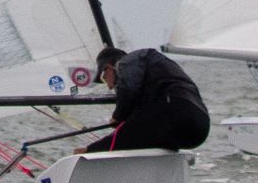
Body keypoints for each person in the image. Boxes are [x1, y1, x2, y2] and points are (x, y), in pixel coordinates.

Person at [81, 44, 209, 153]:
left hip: (177, 112)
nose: (109, 86)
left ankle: (88, 152)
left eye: (104, 78)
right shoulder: (150, 67)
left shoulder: (127, 61)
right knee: (139, 132)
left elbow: (128, 89)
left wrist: (118, 117)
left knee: (127, 134)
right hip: (200, 127)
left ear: (109, 67)